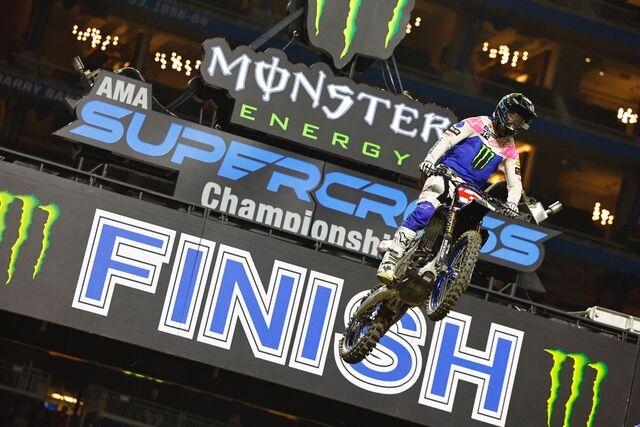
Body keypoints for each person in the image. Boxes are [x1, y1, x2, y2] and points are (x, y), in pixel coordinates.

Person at [377, 93, 537, 283]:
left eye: (520, 121)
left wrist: (512, 204)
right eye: (513, 116)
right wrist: (430, 160)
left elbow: (515, 182)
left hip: (469, 190)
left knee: (469, 228)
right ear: (503, 109)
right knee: (424, 212)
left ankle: (441, 270)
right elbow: (447, 140)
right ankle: (390, 259)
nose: (515, 123)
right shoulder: (477, 123)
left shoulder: (510, 149)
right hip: (445, 174)